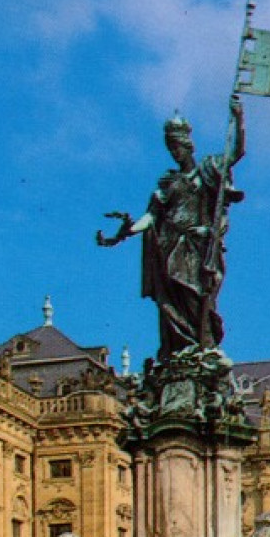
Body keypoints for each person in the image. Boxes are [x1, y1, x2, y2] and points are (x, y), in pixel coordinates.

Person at [97, 95, 246, 360]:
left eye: (178, 147)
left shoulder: (207, 170)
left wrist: (238, 118)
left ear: (188, 145)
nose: (175, 153)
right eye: (171, 149)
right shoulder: (168, 183)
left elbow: (236, 153)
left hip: (196, 248)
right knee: (170, 306)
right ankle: (182, 351)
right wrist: (124, 233)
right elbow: (151, 217)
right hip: (168, 248)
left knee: (198, 300)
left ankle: (203, 349)